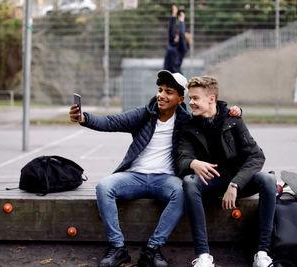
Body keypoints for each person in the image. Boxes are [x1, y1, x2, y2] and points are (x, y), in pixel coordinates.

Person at [68, 71, 241, 267]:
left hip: (165, 179)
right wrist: (84, 117)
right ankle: (118, 248)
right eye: (160, 90)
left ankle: (152, 249)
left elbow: (210, 110)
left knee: (183, 190)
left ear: (180, 99)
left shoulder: (186, 121)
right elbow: (111, 122)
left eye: (169, 92)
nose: (162, 95)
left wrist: (233, 111)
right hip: (134, 176)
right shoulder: (144, 114)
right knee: (104, 187)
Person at [176, 76, 277, 267]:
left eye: (196, 98)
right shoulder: (188, 126)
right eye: (191, 98)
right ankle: (204, 257)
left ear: (211, 99)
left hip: (238, 180)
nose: (191, 103)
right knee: (189, 182)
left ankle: (262, 254)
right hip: (210, 181)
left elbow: (256, 156)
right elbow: (181, 158)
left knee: (268, 181)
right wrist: (192, 163)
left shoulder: (233, 120)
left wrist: (235, 184)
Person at [163, 5, 191, 74]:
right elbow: (171, 30)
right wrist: (174, 14)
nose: (177, 35)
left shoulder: (182, 48)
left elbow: (181, 34)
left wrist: (182, 21)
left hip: (176, 76)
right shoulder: (173, 43)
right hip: (167, 74)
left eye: (179, 36)